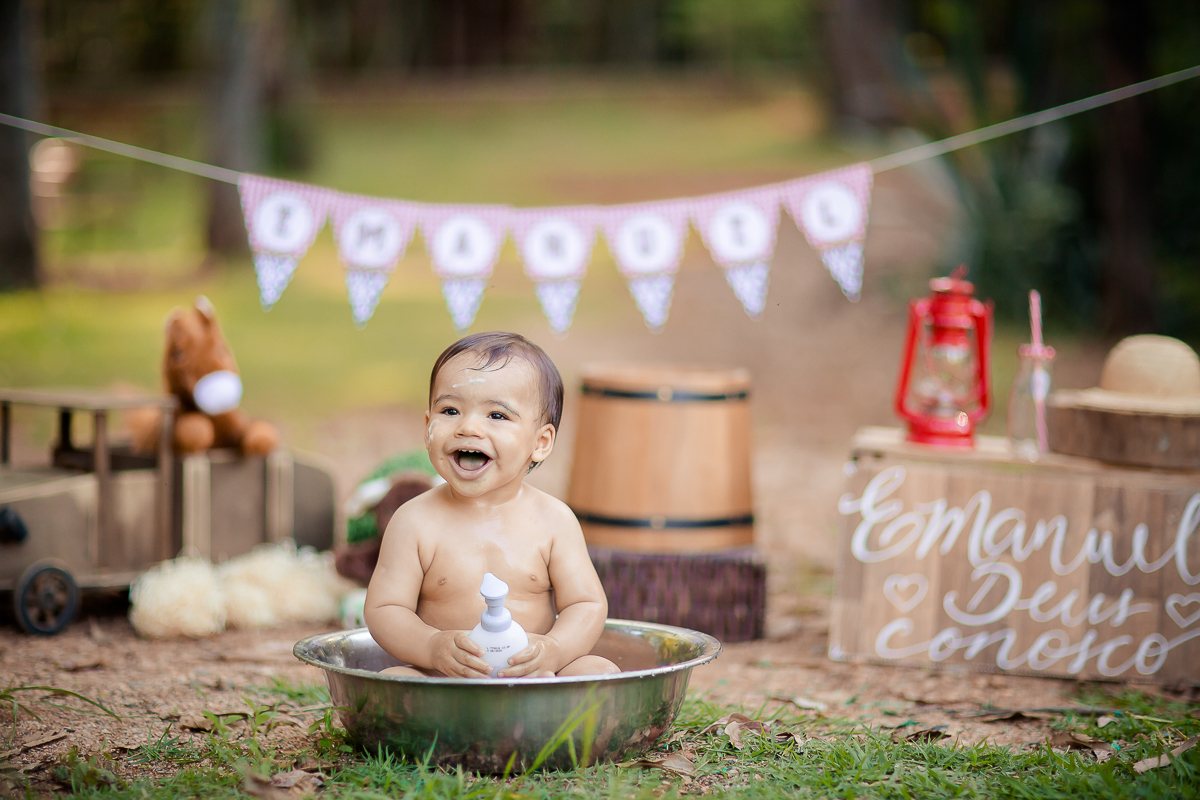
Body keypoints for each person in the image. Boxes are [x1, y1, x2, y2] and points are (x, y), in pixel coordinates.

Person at [364, 332, 619, 678]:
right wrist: (432, 646)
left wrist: (555, 649)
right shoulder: (414, 521)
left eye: (497, 415)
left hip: (534, 681)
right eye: (450, 410)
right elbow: (385, 608)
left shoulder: (553, 521)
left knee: (599, 670)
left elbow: (586, 603)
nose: (468, 427)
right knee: (396, 680)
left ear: (541, 442)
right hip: (445, 683)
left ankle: (551, 708)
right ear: (427, 427)